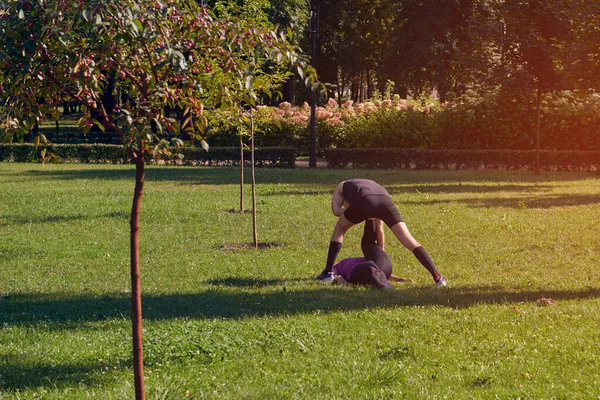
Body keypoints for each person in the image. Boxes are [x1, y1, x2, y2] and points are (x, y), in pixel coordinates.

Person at [317, 178, 447, 287]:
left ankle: (327, 273)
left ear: (346, 200)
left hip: (365, 200)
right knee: (408, 239)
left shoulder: (341, 187)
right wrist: (380, 254)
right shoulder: (369, 185)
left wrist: (358, 214)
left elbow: (336, 211)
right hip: (386, 199)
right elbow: (379, 225)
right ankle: (438, 277)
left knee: (340, 227)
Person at [330, 218, 409, 290]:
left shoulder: (344, 263)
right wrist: (337, 278)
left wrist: (398, 279)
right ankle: (370, 216)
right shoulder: (337, 266)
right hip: (357, 271)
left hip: (378, 269)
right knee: (369, 265)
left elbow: (379, 274)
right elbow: (332, 273)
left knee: (371, 265)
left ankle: (370, 216)